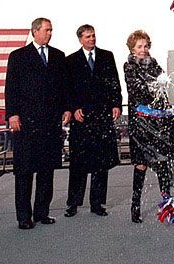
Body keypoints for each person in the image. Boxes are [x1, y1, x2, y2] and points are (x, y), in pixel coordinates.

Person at [5, 17, 71, 230]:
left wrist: (67, 108)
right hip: (25, 122)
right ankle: (24, 217)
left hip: (50, 123)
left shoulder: (59, 56)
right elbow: (11, 88)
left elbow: (63, 87)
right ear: (35, 31)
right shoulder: (18, 56)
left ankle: (42, 212)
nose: (50, 33)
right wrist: (12, 114)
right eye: (46, 30)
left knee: (46, 170)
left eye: (51, 30)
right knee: (24, 172)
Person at [124, 30, 174, 223]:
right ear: (132, 49)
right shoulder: (129, 66)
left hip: (158, 121)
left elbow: (164, 89)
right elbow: (137, 89)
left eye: (146, 46)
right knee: (141, 164)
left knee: (162, 161)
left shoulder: (155, 64)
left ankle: (167, 205)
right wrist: (155, 85)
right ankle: (135, 205)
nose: (144, 50)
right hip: (140, 122)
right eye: (139, 47)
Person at [64, 24, 122, 218]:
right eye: (88, 37)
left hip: (102, 115)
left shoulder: (107, 56)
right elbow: (68, 88)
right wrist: (73, 108)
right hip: (81, 118)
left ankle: (97, 204)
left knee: (101, 163)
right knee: (78, 163)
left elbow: (115, 83)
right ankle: (73, 203)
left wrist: (116, 104)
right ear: (80, 39)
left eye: (93, 36)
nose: (92, 39)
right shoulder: (70, 60)